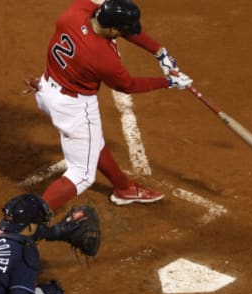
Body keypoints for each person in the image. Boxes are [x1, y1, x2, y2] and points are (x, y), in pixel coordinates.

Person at [32, 0, 193, 211]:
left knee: (93, 139)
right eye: (122, 30)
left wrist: (159, 51)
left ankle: (123, 187)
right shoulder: (102, 57)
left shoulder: (76, 12)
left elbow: (109, 17)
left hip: (46, 88)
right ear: (111, 28)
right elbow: (128, 85)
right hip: (74, 108)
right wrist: (169, 82)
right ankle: (24, 222)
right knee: (81, 175)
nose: (125, 33)